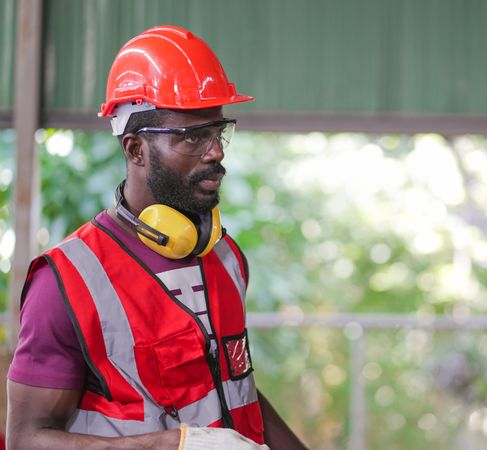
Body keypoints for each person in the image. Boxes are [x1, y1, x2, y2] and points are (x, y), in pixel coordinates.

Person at [6, 25, 308, 450]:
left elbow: (235, 385)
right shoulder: (66, 281)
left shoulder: (224, 257)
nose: (216, 151)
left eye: (218, 131)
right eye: (192, 136)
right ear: (134, 149)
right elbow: (26, 440)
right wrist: (174, 444)